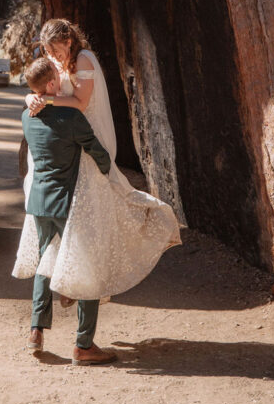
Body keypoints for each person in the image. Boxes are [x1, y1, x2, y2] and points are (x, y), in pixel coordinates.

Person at [13, 19, 181, 301]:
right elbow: (44, 84)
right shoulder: (55, 59)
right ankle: (65, 276)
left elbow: (79, 102)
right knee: (61, 211)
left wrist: (47, 101)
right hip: (63, 137)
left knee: (86, 209)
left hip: (85, 137)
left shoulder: (85, 60)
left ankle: (80, 278)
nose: (52, 55)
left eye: (56, 49)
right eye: (47, 50)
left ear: (68, 41)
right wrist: (33, 96)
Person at [20, 57, 117, 365]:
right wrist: (111, 176)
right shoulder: (70, 117)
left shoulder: (26, 116)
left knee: (43, 261)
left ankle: (36, 329)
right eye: (58, 80)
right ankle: (84, 345)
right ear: (50, 85)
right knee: (86, 265)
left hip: (38, 201)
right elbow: (96, 150)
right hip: (66, 201)